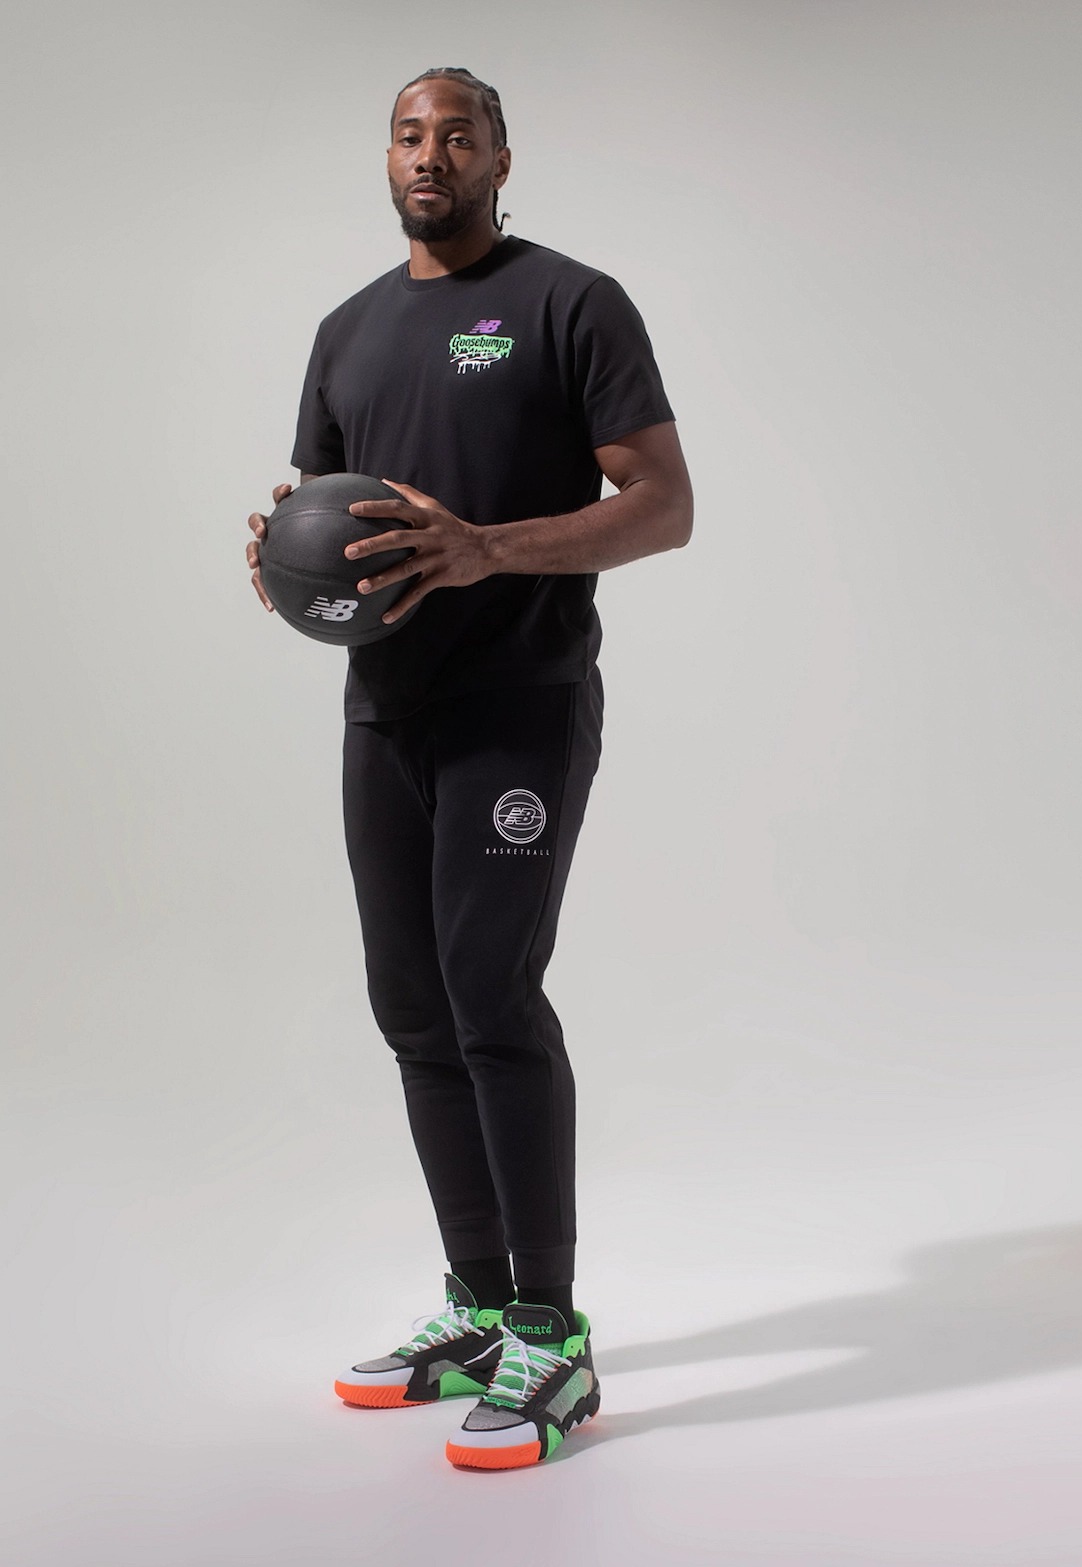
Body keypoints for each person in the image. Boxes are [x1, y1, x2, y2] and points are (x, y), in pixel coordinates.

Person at [245, 66, 692, 1471]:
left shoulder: (570, 303)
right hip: (387, 710)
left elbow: (664, 506)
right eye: (407, 134)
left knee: (491, 993)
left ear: (501, 157)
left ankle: (553, 1334)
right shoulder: (347, 330)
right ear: (387, 158)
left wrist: (488, 547)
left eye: (456, 134)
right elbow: (327, 511)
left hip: (521, 702)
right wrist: (286, 562)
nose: (428, 154)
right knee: (414, 1007)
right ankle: (482, 1307)